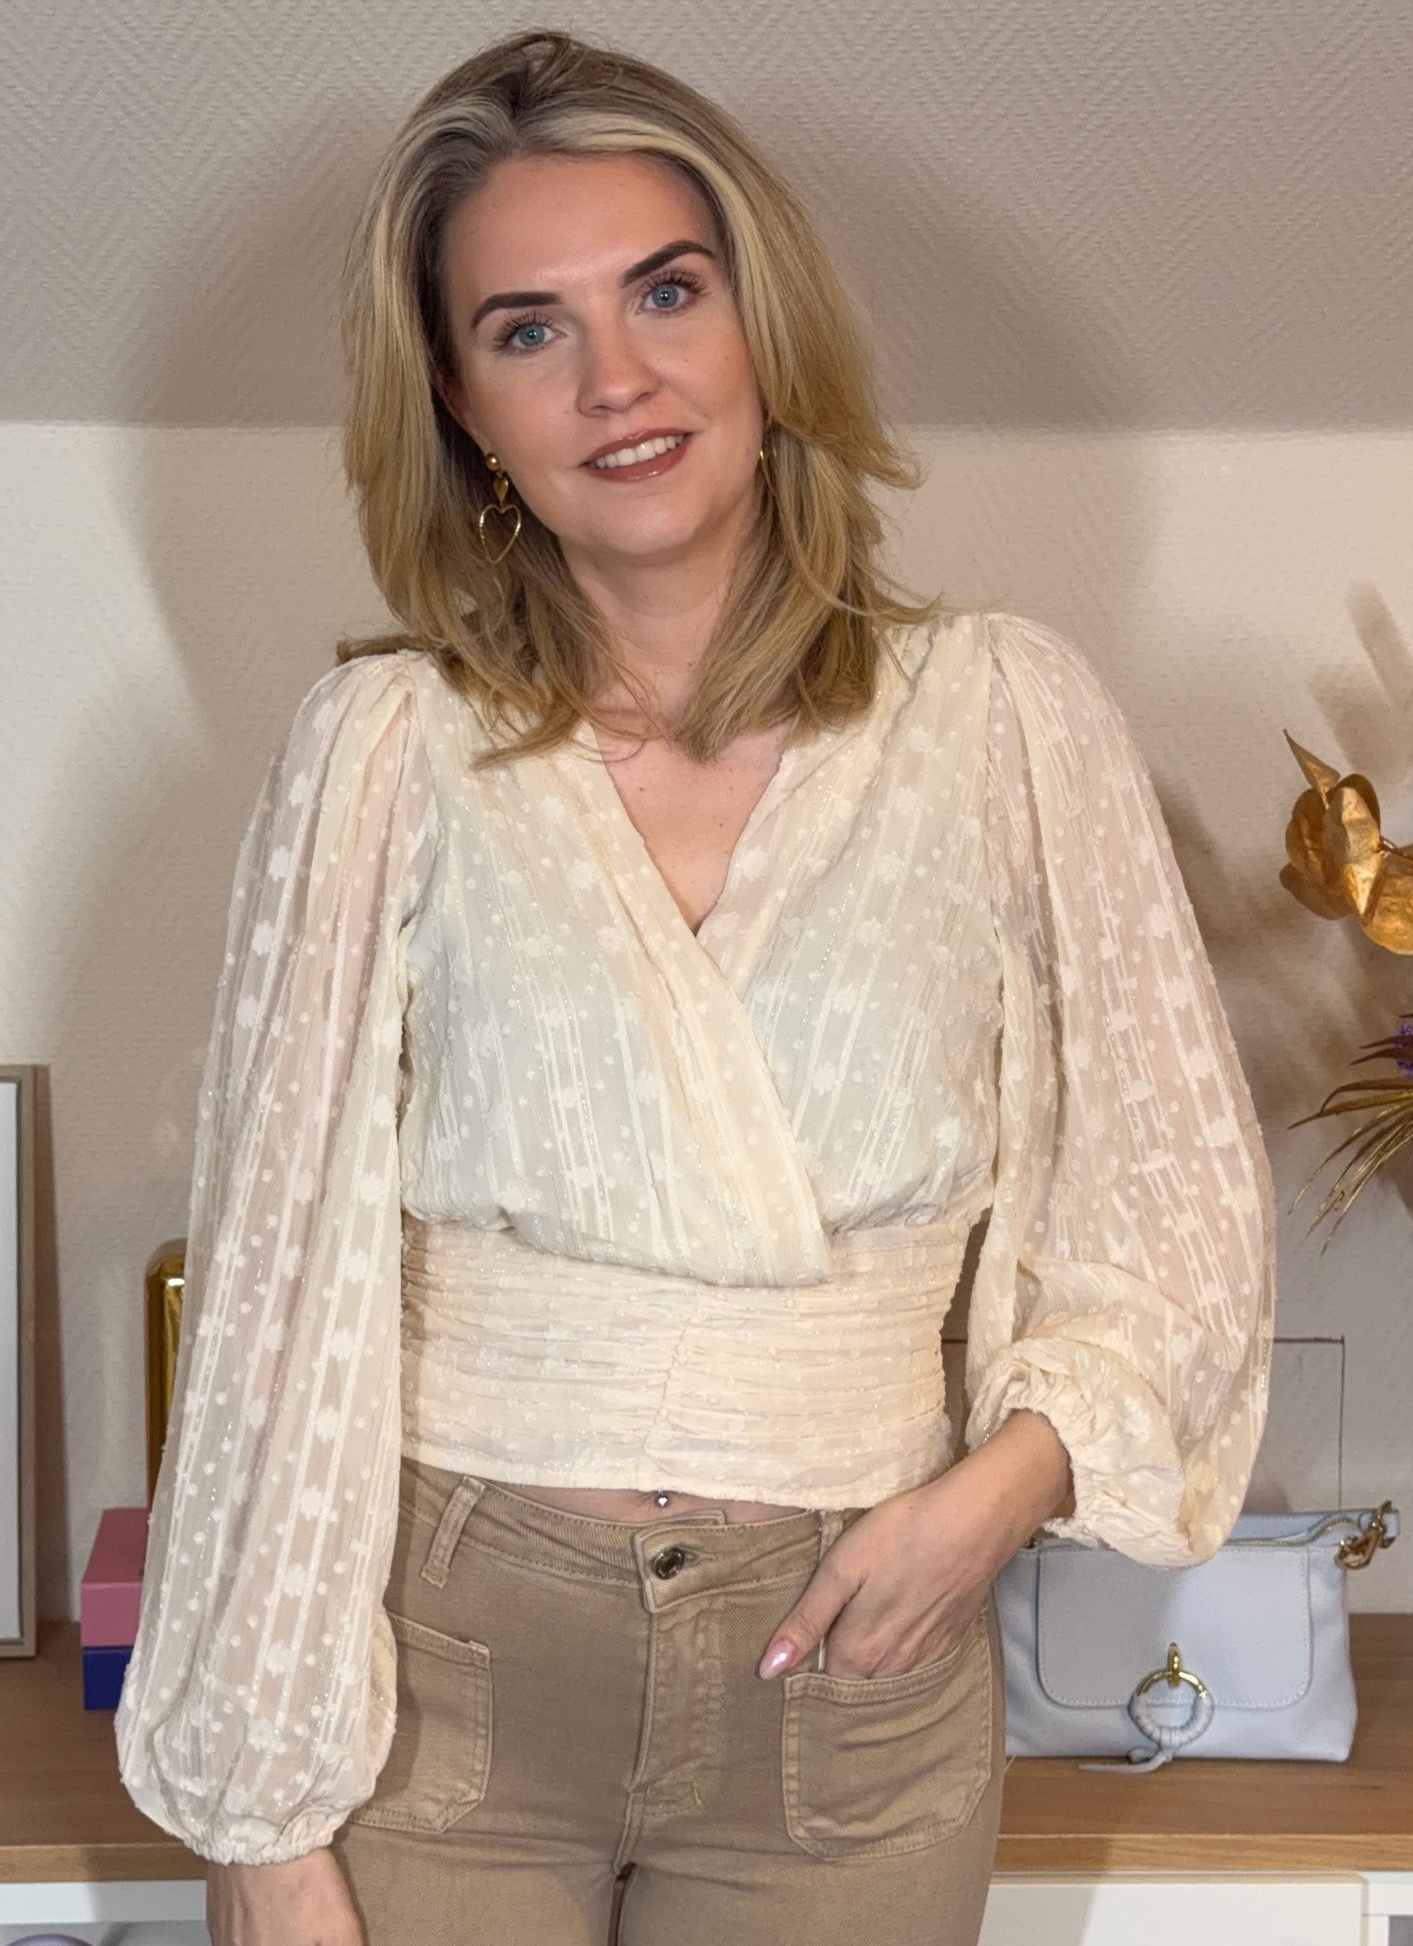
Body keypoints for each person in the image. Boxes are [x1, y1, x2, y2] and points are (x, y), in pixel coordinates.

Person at [113, 27, 1277, 1946]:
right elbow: (271, 1291)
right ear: (461, 406)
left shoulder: (1005, 718)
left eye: (665, 292)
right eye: (529, 329)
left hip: (855, 1677)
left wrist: (991, 1496)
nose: (616, 378)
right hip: (441, 1687)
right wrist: (261, 1817)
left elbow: (1182, 1208)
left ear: (763, 324)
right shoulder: (385, 750)